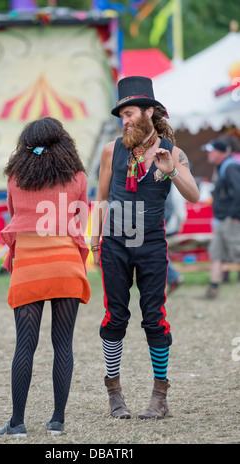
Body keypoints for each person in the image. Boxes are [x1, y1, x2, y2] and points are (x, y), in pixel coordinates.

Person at [90, 76, 199, 420]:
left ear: (150, 112)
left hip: (152, 244)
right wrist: (94, 242)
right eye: (121, 114)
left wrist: (171, 172)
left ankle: (159, 397)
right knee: (115, 317)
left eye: (130, 113)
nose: (124, 120)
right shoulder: (111, 150)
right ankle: (115, 394)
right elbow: (101, 198)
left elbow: (194, 195)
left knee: (154, 319)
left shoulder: (173, 152)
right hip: (114, 244)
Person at [0, 117, 91, 437]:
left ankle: (17, 423)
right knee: (63, 343)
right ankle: (57, 421)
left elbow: (14, 218)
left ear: (26, 143)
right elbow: (82, 220)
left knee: (25, 344)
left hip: (29, 268)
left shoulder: (15, 178)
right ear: (64, 142)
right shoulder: (77, 178)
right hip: (65, 265)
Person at [199, 136, 240, 299]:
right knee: (216, 253)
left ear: (220, 152)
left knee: (237, 252)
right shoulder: (223, 166)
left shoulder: (230, 167)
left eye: (211, 151)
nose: (208, 155)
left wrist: (235, 215)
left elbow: (239, 191)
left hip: (230, 220)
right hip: (222, 220)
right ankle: (213, 289)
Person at [165, 184, 187, 295]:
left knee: (153, 250)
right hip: (170, 224)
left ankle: (173, 276)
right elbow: (182, 213)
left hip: (166, 224)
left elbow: (179, 210)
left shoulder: (173, 185)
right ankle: (173, 277)